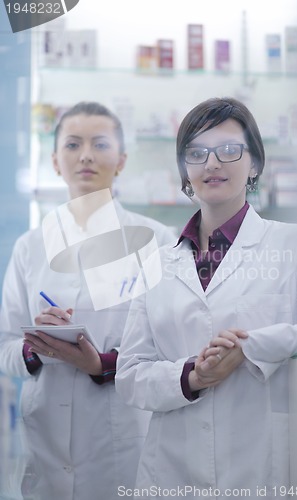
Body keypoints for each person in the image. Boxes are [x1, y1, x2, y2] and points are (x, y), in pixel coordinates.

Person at [116, 97, 297, 499]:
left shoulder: (296, 244)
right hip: (170, 471)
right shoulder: (156, 264)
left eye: (230, 150)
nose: (212, 164)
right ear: (184, 171)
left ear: (255, 164)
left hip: (259, 466)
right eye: (197, 153)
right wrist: (191, 376)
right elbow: (130, 376)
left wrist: (252, 348)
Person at [0, 102, 176, 500]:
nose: (86, 155)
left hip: (122, 436)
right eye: (73, 144)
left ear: (122, 159)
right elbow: (4, 344)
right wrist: (37, 349)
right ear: (55, 161)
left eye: (100, 144)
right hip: (43, 440)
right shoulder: (31, 246)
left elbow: (171, 346)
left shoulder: (157, 240)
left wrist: (101, 364)